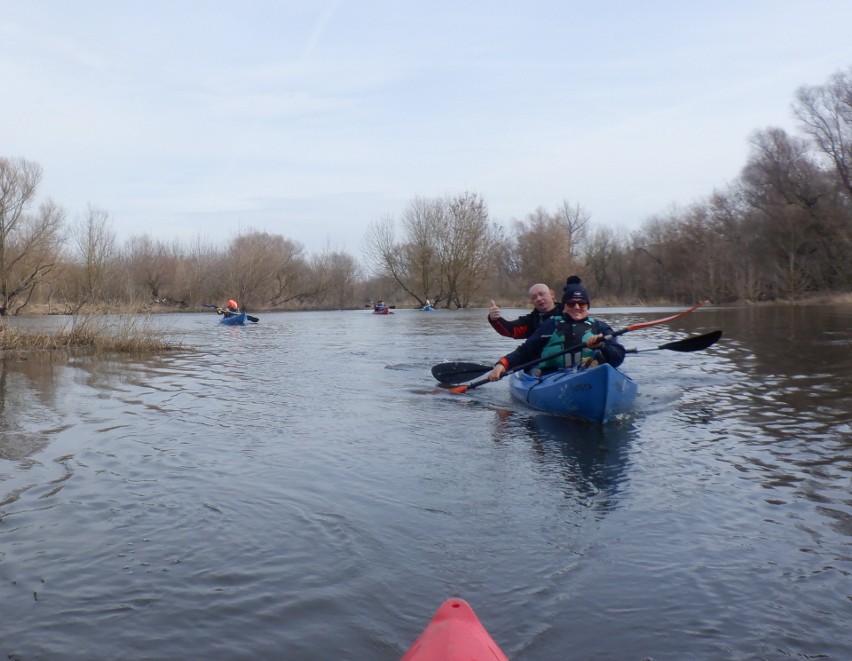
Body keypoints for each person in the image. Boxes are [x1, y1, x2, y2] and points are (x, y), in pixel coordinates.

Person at [485, 275, 625, 382]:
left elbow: (617, 357)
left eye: (581, 304)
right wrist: (502, 364)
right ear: (565, 306)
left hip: (588, 373)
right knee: (535, 370)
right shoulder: (548, 324)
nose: (576, 307)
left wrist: (602, 345)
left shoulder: (601, 327)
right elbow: (524, 350)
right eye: (571, 304)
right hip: (551, 373)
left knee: (601, 362)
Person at [488, 283, 559, 339]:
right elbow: (509, 330)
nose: (539, 299)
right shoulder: (530, 321)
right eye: (534, 297)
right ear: (532, 301)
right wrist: (495, 319)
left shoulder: (567, 311)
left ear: (552, 294)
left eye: (542, 294)